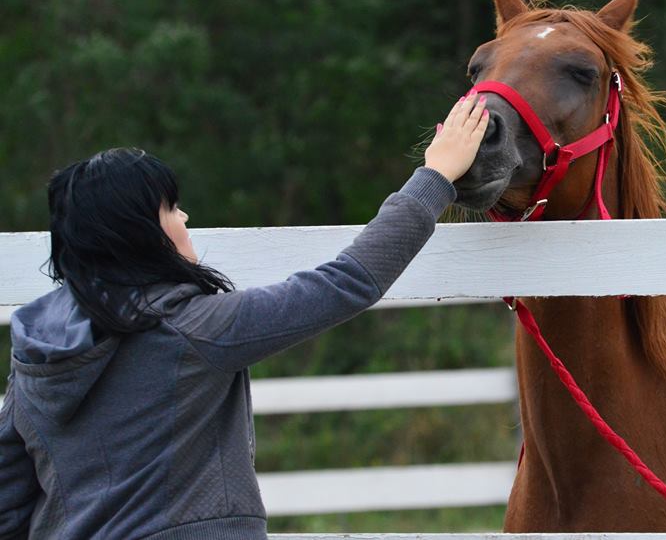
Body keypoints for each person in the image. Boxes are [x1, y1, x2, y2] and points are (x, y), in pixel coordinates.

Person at [0, 94, 489, 539]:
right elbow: (348, 281)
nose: (185, 219)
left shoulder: (36, 353)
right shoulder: (194, 328)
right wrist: (435, 177)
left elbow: (9, 488)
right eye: (171, 208)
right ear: (142, 234)